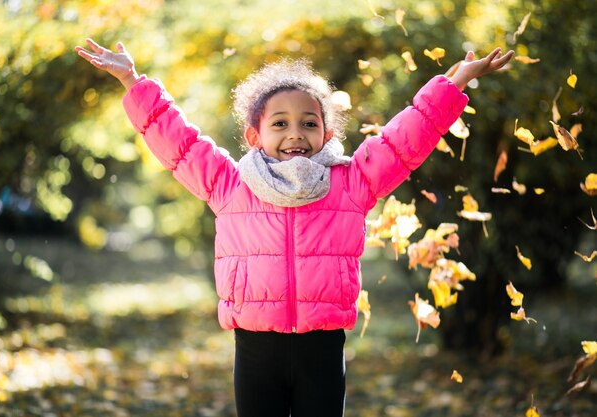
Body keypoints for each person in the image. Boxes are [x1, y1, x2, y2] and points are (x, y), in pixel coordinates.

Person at [75, 38, 513, 417]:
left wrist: (452, 84)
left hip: (321, 347)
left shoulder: (351, 182)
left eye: (309, 123)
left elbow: (403, 140)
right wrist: (133, 81)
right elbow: (179, 143)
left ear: (325, 133)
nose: (295, 133)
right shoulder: (230, 184)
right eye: (279, 123)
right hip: (255, 347)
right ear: (254, 136)